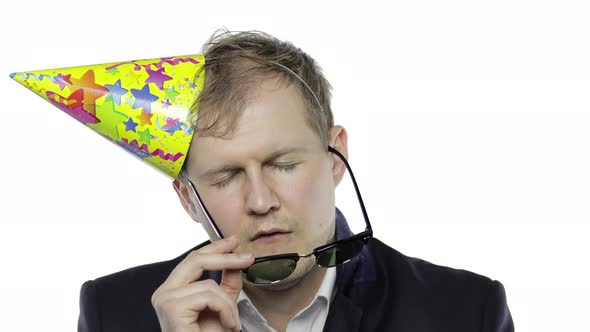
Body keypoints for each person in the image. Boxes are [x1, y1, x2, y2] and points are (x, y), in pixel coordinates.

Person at [13, 29, 514, 332]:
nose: (260, 200)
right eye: (227, 175)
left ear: (336, 155)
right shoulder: (114, 313)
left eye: (283, 164)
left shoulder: (464, 311)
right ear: (188, 197)